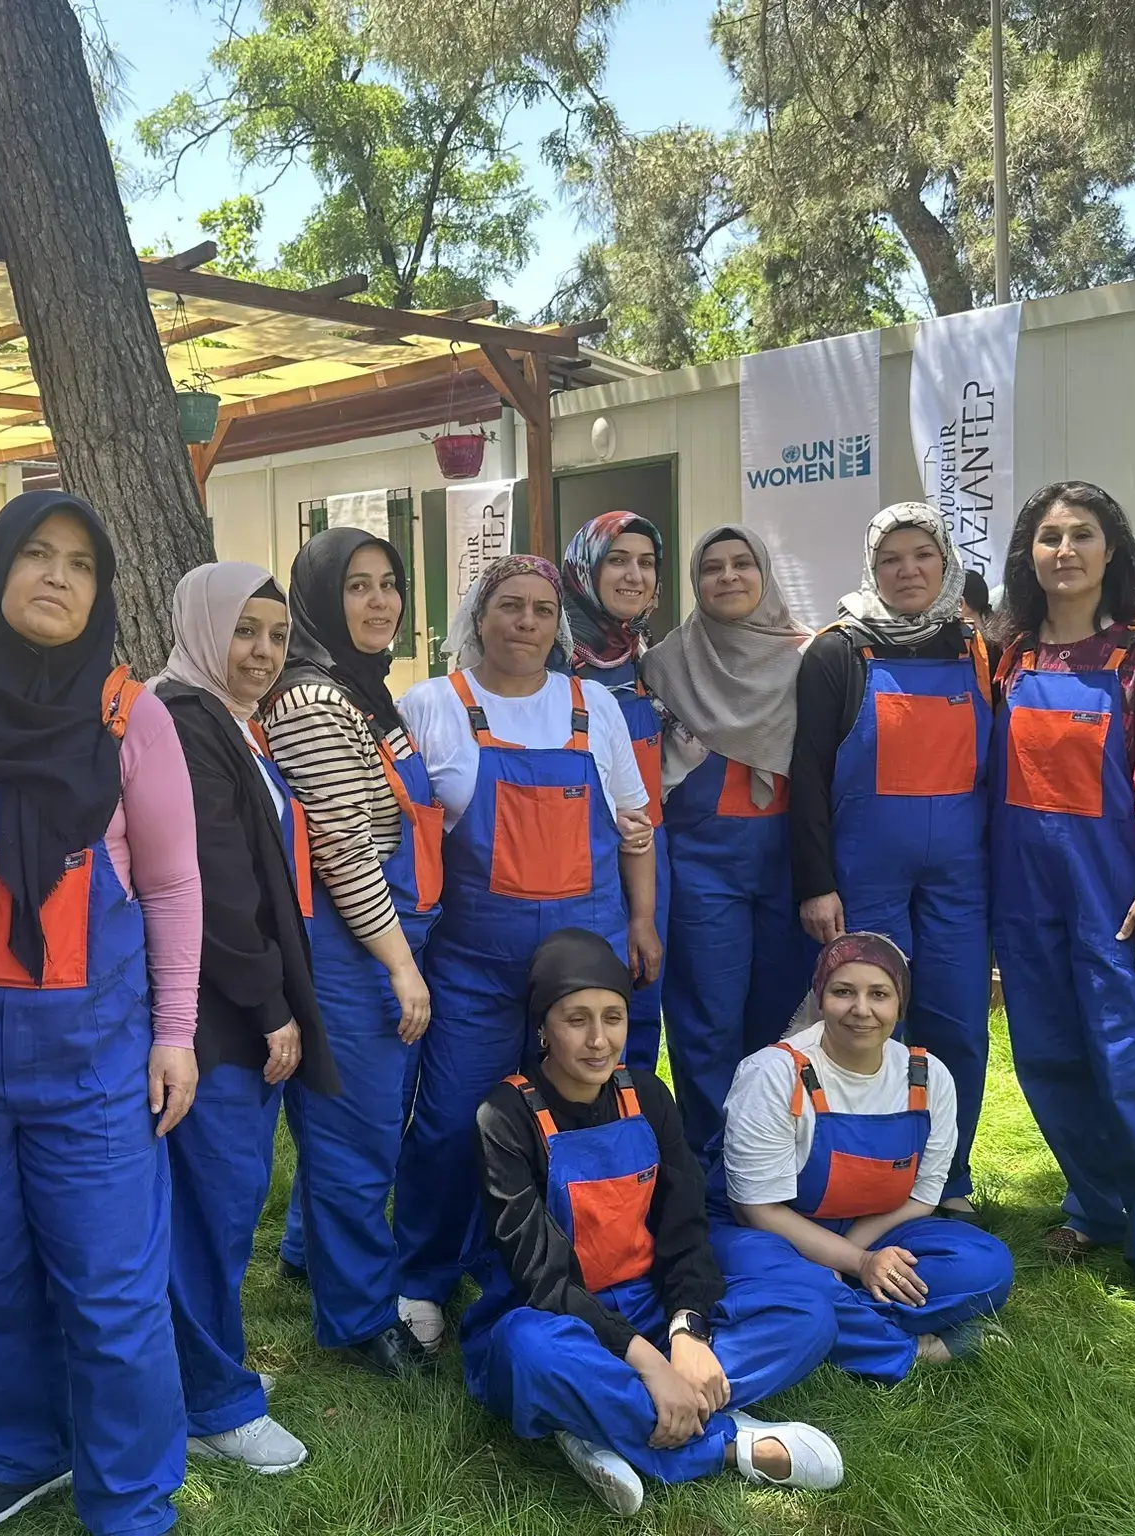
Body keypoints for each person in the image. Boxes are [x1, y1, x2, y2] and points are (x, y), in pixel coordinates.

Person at [0, 493, 199, 1536]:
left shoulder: (134, 715)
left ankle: (130, 1498)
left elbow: (169, 886)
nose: (57, 577)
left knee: (113, 1291)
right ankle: (27, 1449)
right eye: (34, 553)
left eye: (81, 562)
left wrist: (175, 1033)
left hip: (96, 1061)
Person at [463, 928, 840, 1516]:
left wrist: (686, 1334)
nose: (597, 1040)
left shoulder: (648, 1097)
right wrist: (648, 1362)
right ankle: (729, 1445)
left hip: (652, 1302)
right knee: (526, 1351)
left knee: (808, 1314)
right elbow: (541, 1279)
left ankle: (602, 1421)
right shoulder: (504, 1116)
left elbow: (687, 1233)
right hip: (560, 1319)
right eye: (575, 1019)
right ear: (542, 1027)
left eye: (613, 1017)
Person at [394, 554, 661, 1352]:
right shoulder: (432, 706)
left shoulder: (596, 708)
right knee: (449, 1120)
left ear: (559, 625)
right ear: (478, 616)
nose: (527, 623)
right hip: (472, 964)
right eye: (510, 607)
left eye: (543, 611)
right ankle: (425, 1274)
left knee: (578, 1116)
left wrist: (644, 922)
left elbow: (637, 828)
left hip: (585, 968)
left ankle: (570, 1262)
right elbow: (401, 834)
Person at [990, 480, 1135, 1315]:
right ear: (1029, 555)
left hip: (1118, 888)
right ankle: (1095, 1207)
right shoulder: (1010, 653)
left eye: (1083, 534)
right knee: (1046, 1058)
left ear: (1112, 549)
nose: (1065, 550)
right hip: (1024, 888)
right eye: (1050, 537)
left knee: (1132, 1065)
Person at [154, 561, 339, 1471]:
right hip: (216, 1017)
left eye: (275, 635)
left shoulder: (229, 723)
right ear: (200, 628)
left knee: (218, 1210)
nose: (263, 653)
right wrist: (270, 1004)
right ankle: (214, 1404)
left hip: (227, 1007)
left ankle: (204, 1369)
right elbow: (218, 887)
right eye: (244, 632)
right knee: (212, 1214)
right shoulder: (187, 725)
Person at [261, 527, 444, 1377]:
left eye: (390, 584)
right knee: (355, 1132)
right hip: (354, 939)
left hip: (392, 927)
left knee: (365, 1120)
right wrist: (399, 963)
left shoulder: (360, 689)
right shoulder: (307, 702)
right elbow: (341, 848)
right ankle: (358, 1318)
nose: (381, 603)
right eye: (358, 587)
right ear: (321, 599)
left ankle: (309, 1253)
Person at [791, 502, 992, 1220]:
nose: (907, 571)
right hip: (864, 875)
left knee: (961, 1026)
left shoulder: (974, 647)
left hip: (961, 880)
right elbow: (807, 777)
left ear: (946, 565)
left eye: (922, 557)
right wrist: (816, 884)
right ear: (871, 569)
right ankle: (873, 1174)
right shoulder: (838, 651)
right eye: (890, 560)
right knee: (870, 1027)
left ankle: (951, 1175)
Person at [716, 933, 1015, 1382]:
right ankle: (912, 1346)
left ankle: (823, 1319)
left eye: (879, 994)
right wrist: (856, 1265)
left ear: (900, 1003)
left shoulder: (929, 1076)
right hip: (768, 1234)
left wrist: (853, 1254)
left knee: (985, 1265)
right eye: (843, 992)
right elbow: (754, 1208)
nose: (861, 1010)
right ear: (820, 999)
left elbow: (923, 1195)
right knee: (788, 1280)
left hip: (876, 1229)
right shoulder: (772, 1072)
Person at [641, 525, 811, 1165]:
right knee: (706, 1022)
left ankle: (774, 1157)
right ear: (694, 581)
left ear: (765, 575)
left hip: (788, 863)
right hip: (700, 866)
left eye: (744, 564)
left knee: (782, 1018)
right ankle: (710, 1166)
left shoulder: (811, 657)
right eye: (713, 567)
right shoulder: (664, 663)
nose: (729, 576)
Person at [562, 511, 671, 1072]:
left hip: (650, 858)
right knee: (579, 1018)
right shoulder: (549, 661)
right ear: (585, 569)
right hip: (575, 869)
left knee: (640, 1011)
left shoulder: (645, 657)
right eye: (617, 560)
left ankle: (632, 1149)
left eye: (647, 563)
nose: (634, 575)